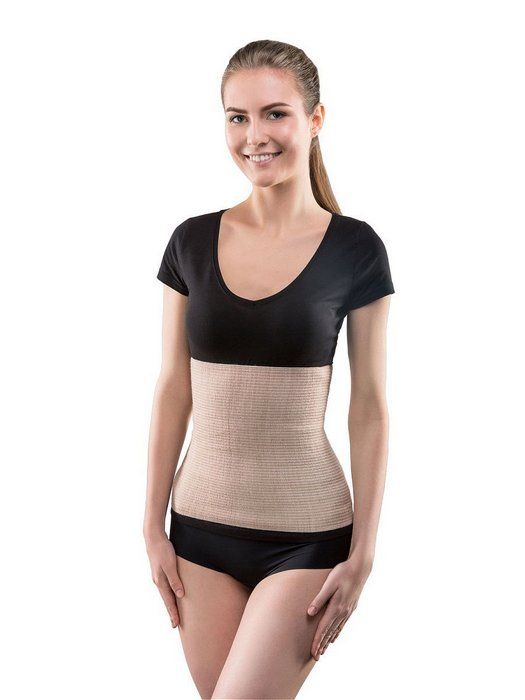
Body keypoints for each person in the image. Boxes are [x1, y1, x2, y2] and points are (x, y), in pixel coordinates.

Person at [144, 39, 395, 699]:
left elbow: (369, 406)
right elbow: (173, 389)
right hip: (197, 533)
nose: (254, 135)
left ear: (315, 120)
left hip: (307, 537)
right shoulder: (190, 242)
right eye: (238, 117)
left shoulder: (356, 249)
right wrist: (151, 527)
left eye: (275, 113)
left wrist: (364, 553)